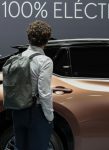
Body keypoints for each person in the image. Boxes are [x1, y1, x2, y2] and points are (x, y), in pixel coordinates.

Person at [12, 20, 54, 150]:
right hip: (36, 112)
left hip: (17, 111)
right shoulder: (45, 61)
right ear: (46, 40)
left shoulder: (18, 57)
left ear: (29, 38)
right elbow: (44, 92)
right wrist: (49, 116)